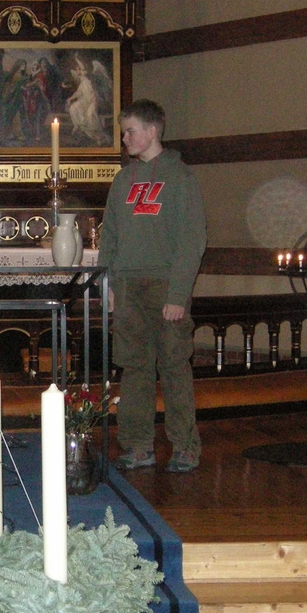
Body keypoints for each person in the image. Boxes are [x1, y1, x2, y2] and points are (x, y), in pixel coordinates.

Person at [99, 99, 206, 473]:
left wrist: (178, 295)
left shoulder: (180, 178)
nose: (124, 138)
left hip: (165, 286)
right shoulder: (122, 179)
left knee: (175, 368)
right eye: (123, 131)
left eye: (129, 131)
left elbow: (192, 241)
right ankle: (138, 445)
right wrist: (108, 285)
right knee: (135, 368)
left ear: (152, 131)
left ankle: (185, 447)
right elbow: (108, 236)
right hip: (128, 286)